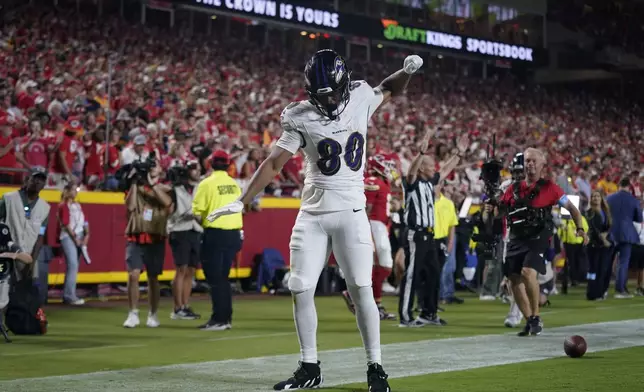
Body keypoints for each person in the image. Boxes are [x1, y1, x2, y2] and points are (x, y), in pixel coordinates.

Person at [207, 49, 425, 392]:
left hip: (351, 212)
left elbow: (390, 87)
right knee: (299, 286)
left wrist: (406, 71)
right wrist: (241, 200)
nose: (330, 101)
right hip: (312, 212)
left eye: (335, 93)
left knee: (361, 288)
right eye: (322, 96)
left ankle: (376, 366)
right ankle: (310, 366)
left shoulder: (361, 95)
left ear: (345, 84)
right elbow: (275, 163)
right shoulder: (299, 115)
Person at [496, 148, 587, 336]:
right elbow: (500, 211)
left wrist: (580, 228)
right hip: (516, 237)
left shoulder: (551, 187)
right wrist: (491, 208)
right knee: (514, 280)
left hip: (537, 237)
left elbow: (571, 207)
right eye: (527, 160)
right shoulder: (513, 188)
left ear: (542, 164)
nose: (529, 164)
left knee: (527, 273)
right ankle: (529, 319)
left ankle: (536, 316)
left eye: (533, 161)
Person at [398, 127, 468, 327]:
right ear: (422, 168)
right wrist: (421, 153)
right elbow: (411, 171)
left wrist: (459, 153)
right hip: (416, 235)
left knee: (433, 274)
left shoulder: (430, 183)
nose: (434, 169)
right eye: (430, 166)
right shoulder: (411, 183)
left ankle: (429, 313)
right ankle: (405, 317)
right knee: (412, 274)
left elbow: (445, 169)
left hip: (430, 237)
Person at [192, 150, 243, 331]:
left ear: (210, 164)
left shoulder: (206, 184)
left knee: (215, 278)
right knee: (223, 278)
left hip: (215, 233)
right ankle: (226, 318)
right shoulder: (234, 184)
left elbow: (197, 213)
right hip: (233, 233)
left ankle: (219, 319)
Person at [342, 154, 397, 320]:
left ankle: (373, 303)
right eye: (386, 165)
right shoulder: (372, 181)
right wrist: (363, 229)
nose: (389, 168)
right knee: (384, 265)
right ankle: (360, 296)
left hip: (380, 225)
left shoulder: (383, 182)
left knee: (380, 266)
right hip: (373, 225)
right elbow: (366, 207)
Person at [122, 158, 172, 328]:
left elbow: (167, 202)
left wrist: (151, 184)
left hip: (155, 236)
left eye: (155, 165)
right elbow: (129, 206)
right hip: (136, 234)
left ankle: (153, 313)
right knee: (133, 274)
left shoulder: (165, 187)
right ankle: (133, 313)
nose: (151, 168)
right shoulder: (135, 187)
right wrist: (136, 182)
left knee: (153, 278)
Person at [0, 168, 49, 291]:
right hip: (7, 254)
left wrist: (32, 261)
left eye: (41, 180)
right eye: (35, 178)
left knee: (25, 294)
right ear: (27, 180)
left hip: (27, 256)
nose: (38, 182)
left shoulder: (45, 208)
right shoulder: (8, 199)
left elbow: (40, 236)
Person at [167, 160, 202, 320]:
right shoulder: (173, 191)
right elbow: (168, 213)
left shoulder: (197, 188)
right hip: (180, 230)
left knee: (190, 270)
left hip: (194, 230)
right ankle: (177, 307)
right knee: (181, 269)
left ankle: (185, 305)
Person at [606, 178, 643, 298]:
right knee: (623, 262)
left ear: (619, 185)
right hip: (627, 233)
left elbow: (604, 214)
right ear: (629, 187)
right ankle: (620, 290)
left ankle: (603, 289)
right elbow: (638, 218)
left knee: (607, 262)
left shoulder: (609, 198)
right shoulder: (633, 200)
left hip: (610, 233)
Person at [57, 183, 90, 305]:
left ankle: (69, 294)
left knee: (73, 266)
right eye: (73, 189)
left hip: (78, 236)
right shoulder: (64, 206)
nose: (76, 192)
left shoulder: (77, 205)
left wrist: (86, 233)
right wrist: (75, 237)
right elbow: (66, 224)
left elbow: (84, 220)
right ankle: (69, 295)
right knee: (73, 264)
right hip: (68, 237)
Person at [585, 190, 614, 300]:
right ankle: (592, 292)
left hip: (605, 246)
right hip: (594, 245)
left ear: (601, 199)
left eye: (598, 196)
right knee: (593, 270)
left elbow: (609, 227)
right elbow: (593, 229)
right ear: (591, 199)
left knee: (603, 269)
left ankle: (600, 292)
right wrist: (603, 239)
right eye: (593, 196)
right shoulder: (589, 213)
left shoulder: (606, 212)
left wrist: (607, 235)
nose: (596, 198)